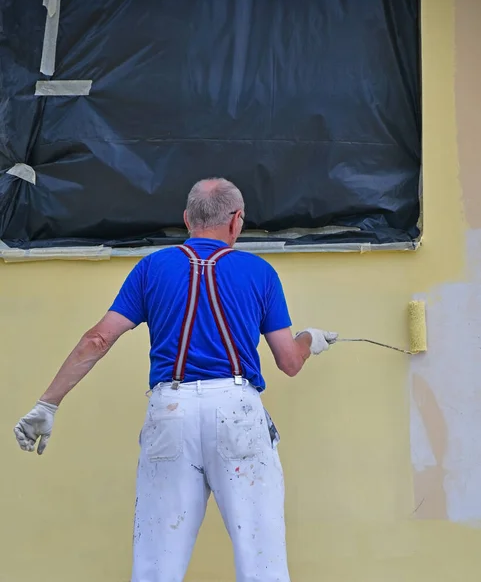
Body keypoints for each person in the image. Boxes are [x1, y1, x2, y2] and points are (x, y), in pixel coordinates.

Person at [14, 178, 337, 582]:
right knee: (262, 562)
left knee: (155, 566)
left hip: (171, 411)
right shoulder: (259, 272)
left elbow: (98, 339)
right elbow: (288, 361)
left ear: (187, 219)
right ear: (237, 221)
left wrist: (48, 403)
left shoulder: (151, 268)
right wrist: (310, 339)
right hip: (237, 412)